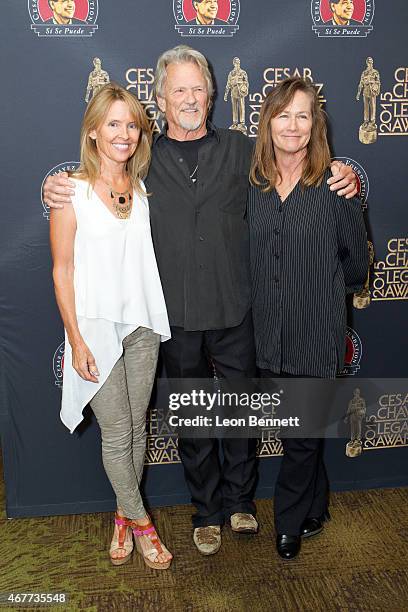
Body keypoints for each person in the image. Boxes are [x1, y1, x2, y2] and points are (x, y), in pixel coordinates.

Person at [43, 46, 357, 557]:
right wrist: (52, 186)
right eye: (179, 90)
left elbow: (299, 165)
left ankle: (239, 504)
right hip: (174, 316)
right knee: (192, 420)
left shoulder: (242, 151)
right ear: (161, 100)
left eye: (198, 89)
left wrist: (348, 176)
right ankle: (206, 511)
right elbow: (97, 180)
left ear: (212, 97)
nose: (190, 98)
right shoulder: (141, 159)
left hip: (237, 307)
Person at [50, 83, 172, 570]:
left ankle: (122, 515)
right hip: (95, 329)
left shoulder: (142, 189)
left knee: (137, 427)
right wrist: (75, 338)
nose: (124, 133)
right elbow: (62, 269)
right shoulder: (69, 191)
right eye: (114, 123)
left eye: (132, 124)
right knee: (117, 432)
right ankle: (143, 524)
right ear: (94, 131)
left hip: (142, 323)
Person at [247, 76, 368, 560]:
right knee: (301, 425)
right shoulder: (252, 184)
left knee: (298, 440)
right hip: (265, 334)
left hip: (315, 332)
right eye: (283, 114)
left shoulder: (335, 186)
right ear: (268, 122)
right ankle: (316, 504)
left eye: (303, 115)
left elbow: (357, 265)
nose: (292, 126)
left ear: (314, 123)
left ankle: (289, 524)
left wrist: (318, 286)